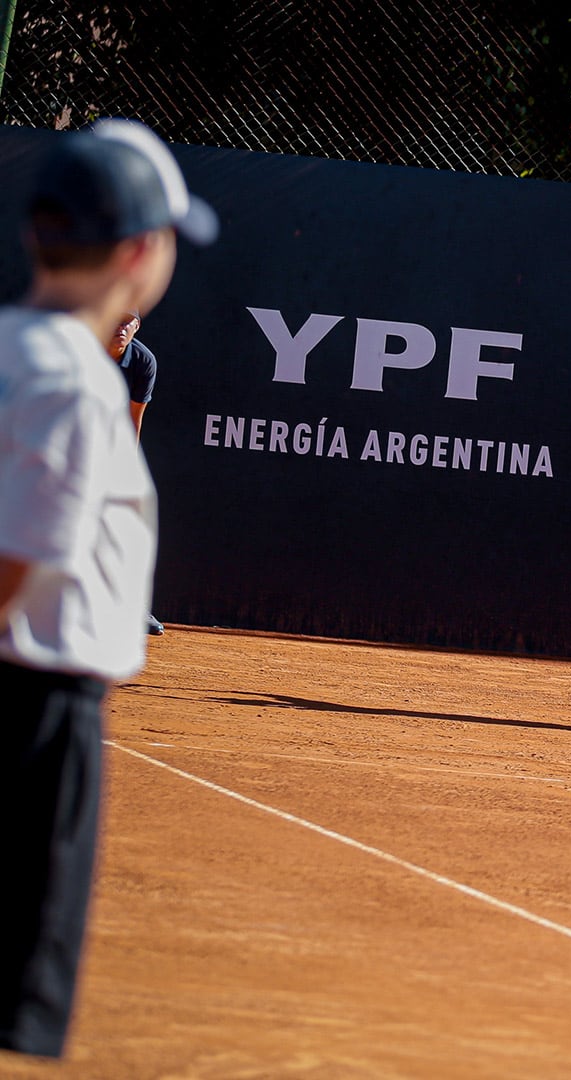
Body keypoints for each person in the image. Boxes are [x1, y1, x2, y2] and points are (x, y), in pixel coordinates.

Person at [0, 118, 216, 1059]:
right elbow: (8, 568)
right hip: (32, 716)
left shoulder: (11, 348)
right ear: (140, 253)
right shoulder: (78, 386)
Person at [108, 309, 165, 635]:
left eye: (130, 320)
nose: (122, 326)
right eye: (117, 317)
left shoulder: (143, 362)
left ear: (137, 326)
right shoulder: (83, 346)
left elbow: (133, 418)